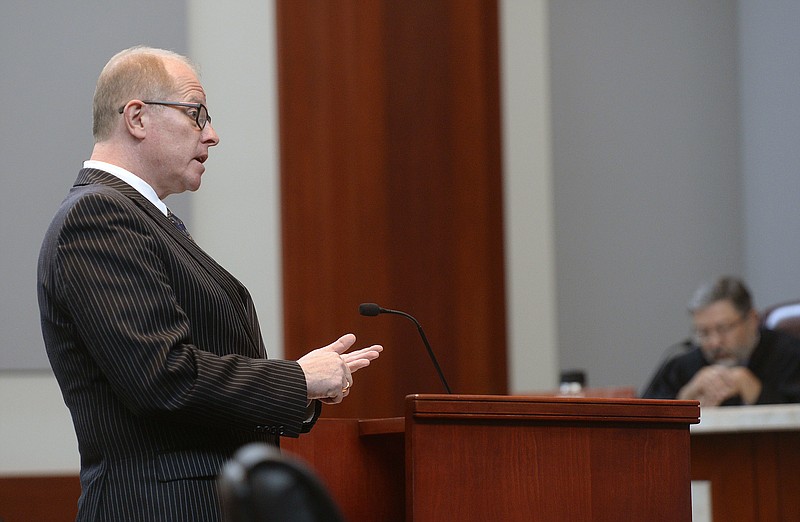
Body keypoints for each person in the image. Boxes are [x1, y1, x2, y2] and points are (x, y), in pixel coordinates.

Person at [37, 46, 382, 521]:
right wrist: (297, 378)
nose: (213, 135)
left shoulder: (139, 218)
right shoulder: (99, 216)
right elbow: (162, 378)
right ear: (137, 118)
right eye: (196, 114)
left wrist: (302, 390)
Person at [642, 276, 800, 406]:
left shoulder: (789, 354)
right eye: (703, 332)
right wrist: (684, 399)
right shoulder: (684, 363)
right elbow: (641, 417)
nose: (714, 343)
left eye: (724, 328)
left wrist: (756, 392)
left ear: (752, 320)